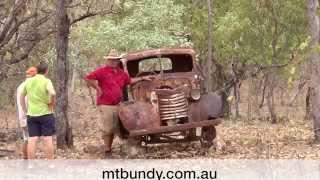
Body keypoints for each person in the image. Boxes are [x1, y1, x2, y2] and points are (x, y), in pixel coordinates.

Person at [85, 49, 154, 158]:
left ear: (118, 61)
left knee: (121, 127)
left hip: (118, 104)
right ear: (107, 60)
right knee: (108, 128)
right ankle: (107, 151)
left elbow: (129, 81)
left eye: (115, 60)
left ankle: (124, 147)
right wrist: (97, 88)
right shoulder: (102, 71)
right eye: (111, 60)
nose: (113, 62)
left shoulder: (121, 73)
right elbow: (88, 78)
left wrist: (143, 78)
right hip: (106, 103)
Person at [20, 62, 56, 159]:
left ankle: (31, 164)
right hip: (46, 114)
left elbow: (21, 96)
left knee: (32, 139)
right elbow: (52, 93)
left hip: (31, 115)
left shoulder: (28, 81)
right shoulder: (46, 81)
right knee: (47, 138)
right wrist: (52, 103)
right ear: (46, 71)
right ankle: (50, 163)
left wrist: (25, 109)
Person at [16, 67, 37, 159]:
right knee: (31, 139)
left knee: (26, 138)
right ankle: (31, 162)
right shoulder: (30, 86)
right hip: (29, 115)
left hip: (22, 117)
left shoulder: (20, 86)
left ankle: (25, 159)